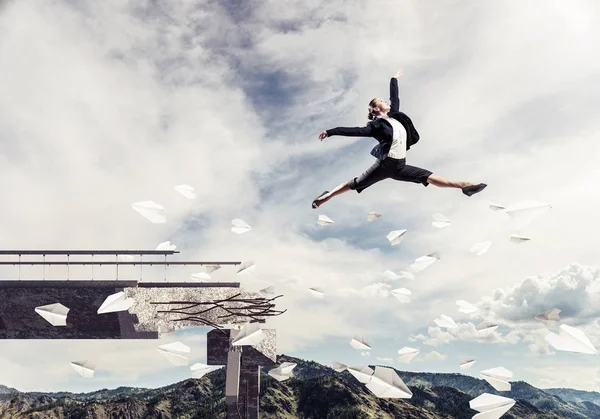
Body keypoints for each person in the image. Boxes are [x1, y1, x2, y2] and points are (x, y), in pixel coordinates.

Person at [311, 69, 487, 209]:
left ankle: (464, 186)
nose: (385, 101)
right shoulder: (375, 126)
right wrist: (331, 131)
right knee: (354, 184)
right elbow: (355, 131)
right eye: (381, 101)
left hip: (400, 166)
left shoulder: (394, 116)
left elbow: (395, 98)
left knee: (429, 177)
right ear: (375, 109)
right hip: (384, 165)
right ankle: (325, 197)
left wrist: (393, 79)